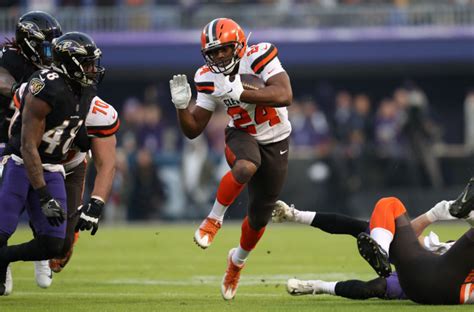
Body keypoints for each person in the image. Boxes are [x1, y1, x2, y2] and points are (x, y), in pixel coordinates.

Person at [169, 18, 292, 300]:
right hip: (241, 134)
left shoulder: (259, 55)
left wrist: (244, 93)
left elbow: (285, 94)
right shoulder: (206, 77)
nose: (219, 56)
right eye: (213, 52)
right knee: (247, 165)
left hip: (277, 139)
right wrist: (180, 107)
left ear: (238, 45)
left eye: (224, 49)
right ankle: (213, 220)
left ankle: (236, 263)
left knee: (259, 218)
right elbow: (193, 129)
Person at [0, 31, 104, 296]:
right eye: (88, 63)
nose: (94, 69)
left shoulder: (85, 89)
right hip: (22, 161)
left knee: (54, 245)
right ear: (71, 62)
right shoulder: (47, 86)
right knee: (3, 227)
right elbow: (27, 146)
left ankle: (3, 258)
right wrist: (44, 195)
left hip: (54, 165)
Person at [13, 84, 119, 276]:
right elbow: (16, 129)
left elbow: (107, 164)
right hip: (30, 163)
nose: (93, 70)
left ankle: (42, 242)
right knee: (6, 219)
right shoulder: (41, 93)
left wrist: (96, 203)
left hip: (70, 169)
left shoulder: (97, 112)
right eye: (87, 65)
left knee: (62, 246)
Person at [272, 199, 470, 300]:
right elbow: (413, 238)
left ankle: (380, 248)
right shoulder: (450, 248)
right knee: (381, 213)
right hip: (422, 280)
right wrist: (435, 214)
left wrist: (435, 214)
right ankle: (294, 215)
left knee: (384, 210)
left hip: (425, 277)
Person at [0, 10, 62, 290]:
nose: (50, 51)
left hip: (41, 141)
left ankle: (40, 249)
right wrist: (18, 89)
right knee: (8, 202)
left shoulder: (54, 66)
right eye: (45, 44)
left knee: (40, 197)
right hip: (6, 138)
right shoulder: (9, 58)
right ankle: (6, 261)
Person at [355, 178, 474, 304]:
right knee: (390, 203)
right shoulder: (450, 246)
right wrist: (434, 214)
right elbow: (409, 237)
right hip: (426, 280)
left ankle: (467, 214)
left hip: (429, 284)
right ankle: (380, 251)